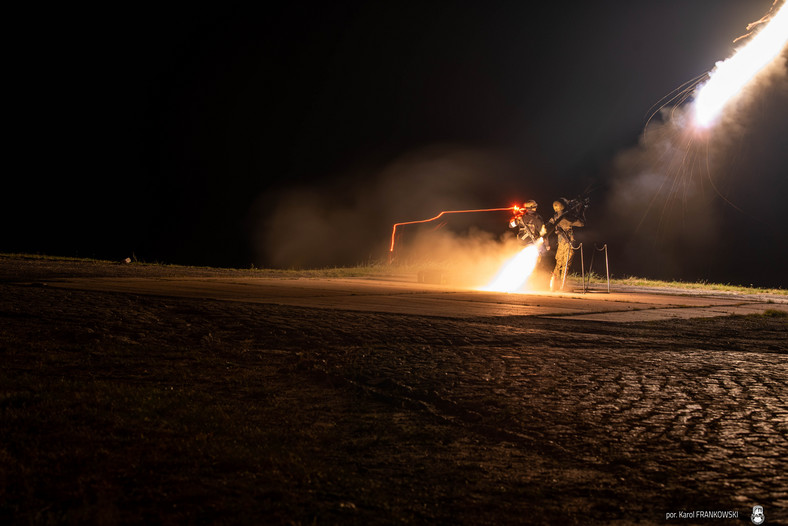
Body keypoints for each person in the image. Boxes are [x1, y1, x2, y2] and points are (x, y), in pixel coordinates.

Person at [547, 198, 585, 291]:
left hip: (560, 243)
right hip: (568, 243)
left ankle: (553, 285)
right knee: (566, 264)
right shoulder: (567, 218)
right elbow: (582, 223)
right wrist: (581, 210)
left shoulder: (555, 217)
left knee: (558, 263)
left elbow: (549, 224)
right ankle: (562, 285)